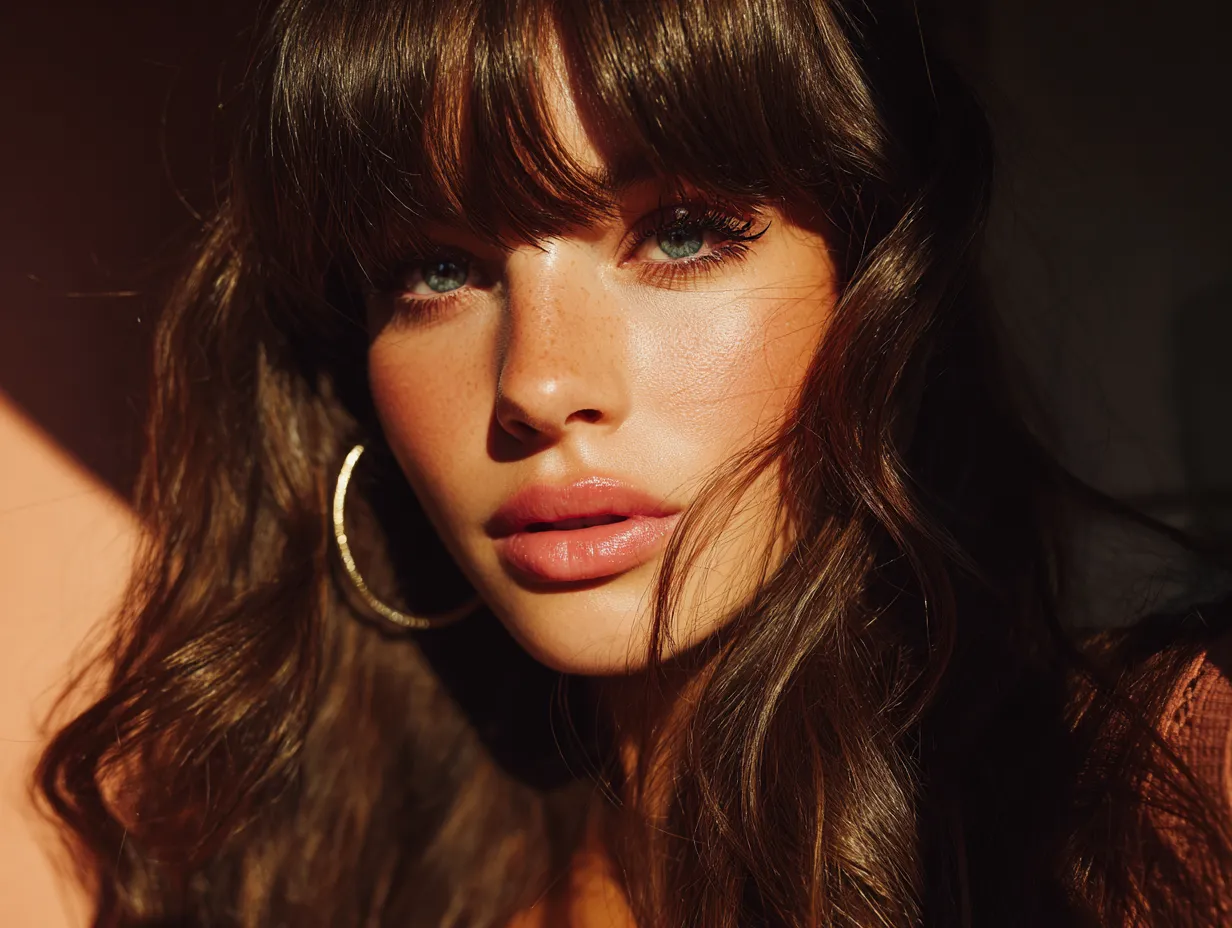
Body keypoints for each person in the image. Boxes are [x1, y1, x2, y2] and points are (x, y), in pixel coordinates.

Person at [34, 0, 1232, 925]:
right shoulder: (312, 877)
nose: (536, 387)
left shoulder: (1142, 810)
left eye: (679, 233)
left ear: (878, 291)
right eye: (437, 271)